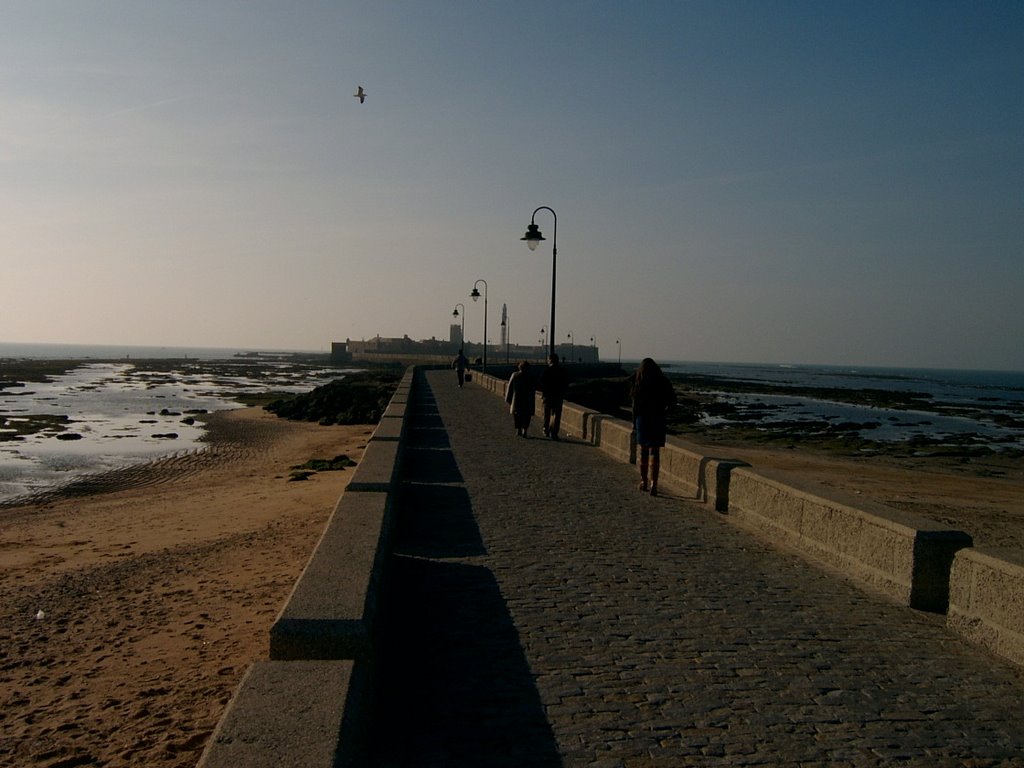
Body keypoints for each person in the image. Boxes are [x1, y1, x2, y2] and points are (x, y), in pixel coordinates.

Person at [631, 357, 676, 496]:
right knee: (654, 452)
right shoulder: (663, 381)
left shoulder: (639, 382)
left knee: (644, 452)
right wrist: (665, 414)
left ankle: (644, 481)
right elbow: (673, 401)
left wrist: (634, 424)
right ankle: (654, 484)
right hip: (658, 419)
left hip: (642, 420)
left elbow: (635, 406)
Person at [540, 353, 570, 439]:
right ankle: (554, 432)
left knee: (547, 414)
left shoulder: (547, 370)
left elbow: (542, 382)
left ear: (550, 360)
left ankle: (545, 430)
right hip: (558, 396)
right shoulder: (562, 370)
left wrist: (544, 393)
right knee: (556, 415)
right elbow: (565, 382)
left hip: (548, 396)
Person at [505, 360, 537, 437]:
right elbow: (534, 388)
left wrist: (508, 399)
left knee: (517, 415)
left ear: (519, 367)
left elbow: (509, 388)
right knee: (526, 416)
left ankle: (518, 429)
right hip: (527, 400)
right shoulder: (531, 376)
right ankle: (524, 431)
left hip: (517, 400)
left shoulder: (515, 375)